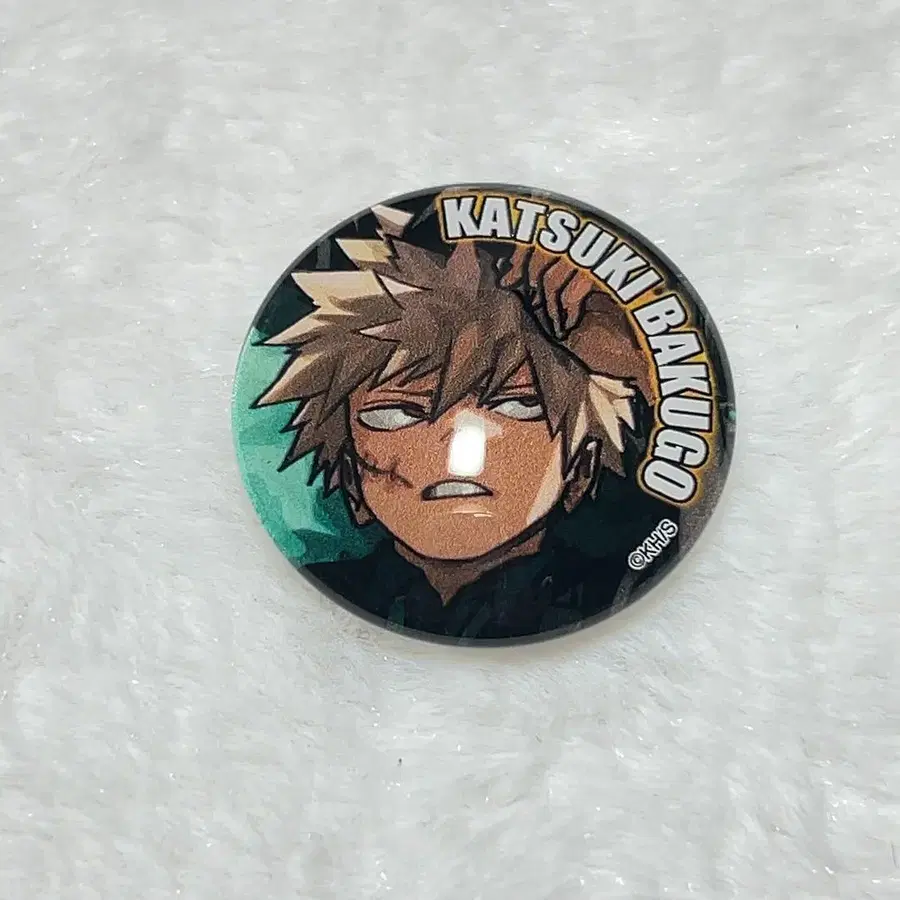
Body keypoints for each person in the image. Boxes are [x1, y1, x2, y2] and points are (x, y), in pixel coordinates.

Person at [252, 202, 657, 640]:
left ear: (581, 465)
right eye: (397, 412)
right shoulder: (317, 606)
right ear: (350, 475)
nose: (455, 436)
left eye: (517, 406)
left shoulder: (609, 587)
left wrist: (641, 362)